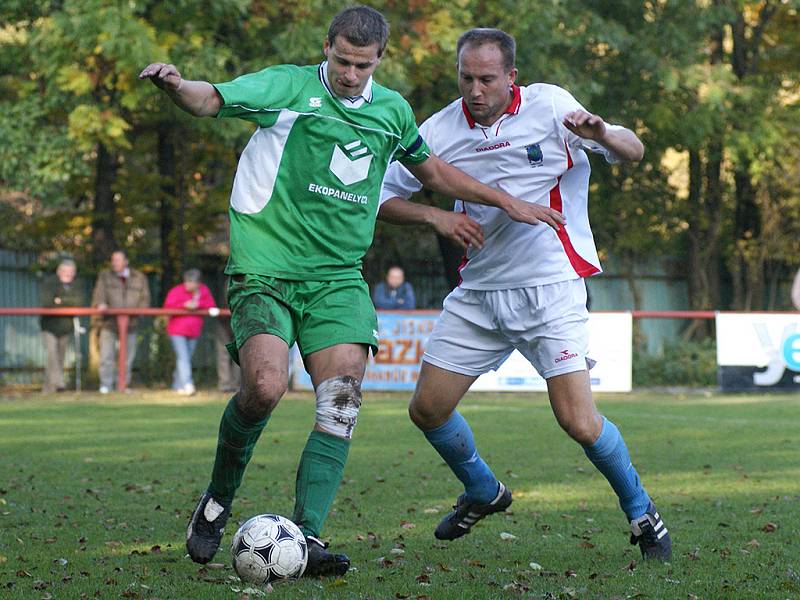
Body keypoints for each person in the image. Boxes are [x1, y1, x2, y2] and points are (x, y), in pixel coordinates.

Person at [139, 6, 564, 577]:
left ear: (379, 60)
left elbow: (434, 174)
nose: (349, 74)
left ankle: (307, 536)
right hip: (265, 270)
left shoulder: (391, 111)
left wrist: (498, 201)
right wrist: (175, 85)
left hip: (338, 278)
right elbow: (209, 98)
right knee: (263, 389)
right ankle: (217, 500)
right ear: (328, 49)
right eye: (342, 61)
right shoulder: (287, 87)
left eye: (362, 65)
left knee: (340, 402)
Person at [379, 28, 671, 561]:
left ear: (511, 76)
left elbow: (634, 150)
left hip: (551, 287)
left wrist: (603, 132)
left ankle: (642, 511)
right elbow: (380, 197)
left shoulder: (551, 105)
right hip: (480, 292)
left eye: (487, 78)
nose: (475, 89)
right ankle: (483, 491)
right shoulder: (439, 129)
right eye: (466, 77)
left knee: (578, 422)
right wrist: (437, 216)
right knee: (426, 410)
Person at [91, 250, 151, 393]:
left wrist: (140, 311)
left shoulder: (139, 277)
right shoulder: (105, 276)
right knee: (107, 355)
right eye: (113, 260)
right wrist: (100, 304)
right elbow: (99, 295)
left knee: (127, 357)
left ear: (126, 261)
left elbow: (145, 298)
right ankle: (106, 385)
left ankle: (123, 385)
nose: (114, 263)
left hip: (131, 323)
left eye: (117, 260)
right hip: (109, 322)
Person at [163, 269, 217, 395]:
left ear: (198, 283)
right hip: (177, 330)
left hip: (194, 331)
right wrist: (184, 305)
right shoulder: (176, 291)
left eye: (191, 282)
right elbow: (167, 307)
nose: (187, 284)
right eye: (186, 281)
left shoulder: (203, 290)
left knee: (185, 358)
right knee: (183, 357)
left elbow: (211, 305)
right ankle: (188, 384)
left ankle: (177, 385)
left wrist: (198, 304)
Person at [39, 258, 84, 393]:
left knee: (59, 357)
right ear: (59, 271)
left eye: (70, 271)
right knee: (52, 354)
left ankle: (48, 390)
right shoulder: (50, 283)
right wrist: (67, 302)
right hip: (49, 326)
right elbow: (47, 302)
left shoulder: (77, 285)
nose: (67, 274)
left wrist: (59, 300)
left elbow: (79, 302)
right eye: (65, 271)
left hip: (66, 327)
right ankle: (59, 382)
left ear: (74, 273)